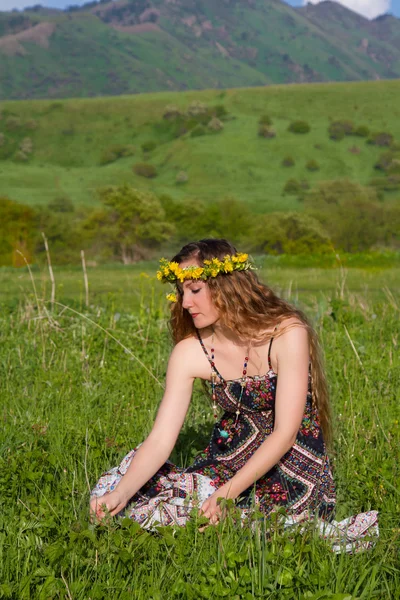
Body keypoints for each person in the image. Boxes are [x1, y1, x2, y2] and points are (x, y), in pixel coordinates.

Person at [90, 239, 377, 548]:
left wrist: (225, 496)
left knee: (260, 525)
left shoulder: (288, 333)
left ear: (228, 285)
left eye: (195, 290)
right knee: (129, 493)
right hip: (228, 459)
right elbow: (160, 440)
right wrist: (121, 494)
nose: (185, 303)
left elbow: (285, 433)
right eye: (181, 291)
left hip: (289, 465)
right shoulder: (190, 352)